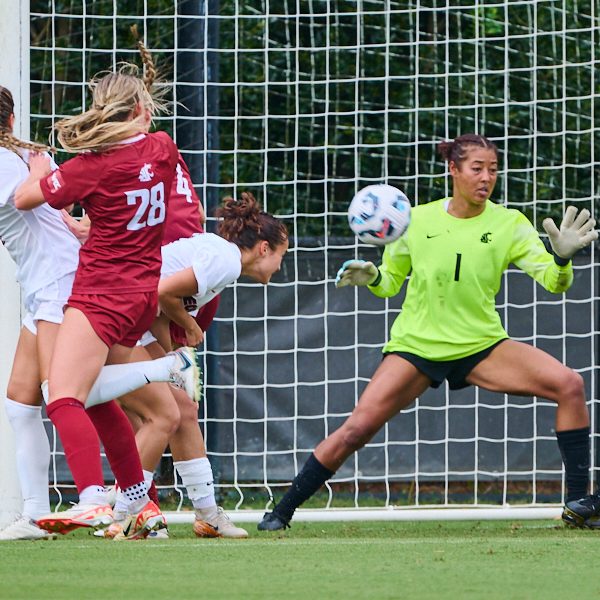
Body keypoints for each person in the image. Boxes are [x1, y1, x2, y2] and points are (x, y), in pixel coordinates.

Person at [257, 133, 598, 531]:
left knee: (569, 384)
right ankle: (281, 512)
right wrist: (372, 276)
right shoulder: (416, 221)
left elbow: (555, 283)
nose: (486, 178)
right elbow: (388, 283)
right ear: (453, 170)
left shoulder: (509, 224)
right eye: (476, 169)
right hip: (416, 347)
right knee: (356, 429)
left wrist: (561, 259)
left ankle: (578, 504)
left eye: (492, 169)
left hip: (481, 344)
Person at [12, 44, 200, 539]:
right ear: (141, 109)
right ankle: (143, 508)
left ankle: (92, 500)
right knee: (99, 399)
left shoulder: (88, 168)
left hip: (100, 295)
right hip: (142, 294)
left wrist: (39, 168)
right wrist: (91, 224)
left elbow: (27, 197)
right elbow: (126, 209)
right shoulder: (163, 147)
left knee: (62, 397)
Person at [86, 191, 288, 539]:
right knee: (164, 415)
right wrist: (192, 328)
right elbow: (161, 292)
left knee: (184, 410)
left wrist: (171, 356)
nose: (281, 265)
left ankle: (208, 514)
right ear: (264, 248)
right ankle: (123, 514)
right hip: (112, 319)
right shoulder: (225, 261)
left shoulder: (222, 260)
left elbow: (158, 310)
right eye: (283, 254)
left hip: (133, 323)